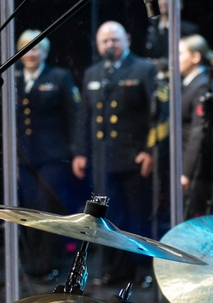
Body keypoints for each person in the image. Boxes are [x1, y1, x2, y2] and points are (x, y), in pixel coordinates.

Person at [72, 20, 160, 286]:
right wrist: (80, 152)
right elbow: (84, 117)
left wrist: (150, 150)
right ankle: (116, 272)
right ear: (98, 45)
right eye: (105, 41)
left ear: (128, 39)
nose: (110, 45)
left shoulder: (144, 69)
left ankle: (142, 272)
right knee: (110, 218)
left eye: (115, 39)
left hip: (134, 159)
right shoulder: (93, 73)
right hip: (103, 160)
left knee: (136, 218)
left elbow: (158, 116)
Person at [13, 29, 84, 279]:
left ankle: (49, 264)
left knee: (47, 210)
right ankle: (33, 265)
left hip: (54, 157)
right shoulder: (14, 79)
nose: (30, 54)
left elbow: (75, 117)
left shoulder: (59, 77)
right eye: (26, 49)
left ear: (44, 52)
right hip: (24, 158)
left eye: (35, 48)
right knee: (29, 209)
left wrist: (78, 152)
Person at [177, 34, 213, 218]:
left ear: (196, 57)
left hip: (196, 168)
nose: (175, 59)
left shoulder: (201, 85)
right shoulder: (187, 84)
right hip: (184, 160)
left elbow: (197, 132)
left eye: (180, 53)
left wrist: (186, 171)